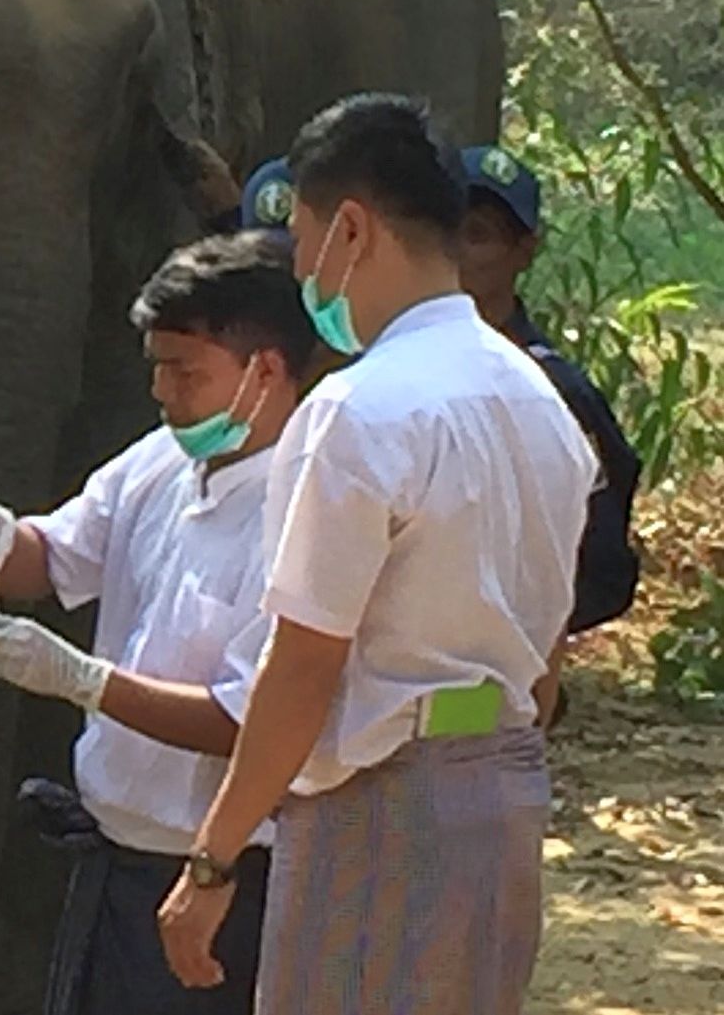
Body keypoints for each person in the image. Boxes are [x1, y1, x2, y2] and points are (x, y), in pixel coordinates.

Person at [157, 95, 599, 1013]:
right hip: (506, 790)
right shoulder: (539, 398)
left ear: (350, 229)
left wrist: (213, 857)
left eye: (309, 237)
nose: (306, 271)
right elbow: (550, 656)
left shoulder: (357, 412)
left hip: (380, 803)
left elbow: (304, 661)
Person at [0, 232, 317, 1015]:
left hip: (225, 875)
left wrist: (85, 680)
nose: (163, 389)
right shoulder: (157, 462)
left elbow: (248, 717)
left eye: (187, 370)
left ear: (266, 371)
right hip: (113, 859)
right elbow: (54, 555)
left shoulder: (303, 508)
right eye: (157, 366)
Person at [458, 144, 641, 637]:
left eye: (478, 235)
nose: (456, 251)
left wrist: (526, 635)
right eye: (446, 229)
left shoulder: (553, 390)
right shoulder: (378, 368)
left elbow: (603, 564)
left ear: (524, 251)